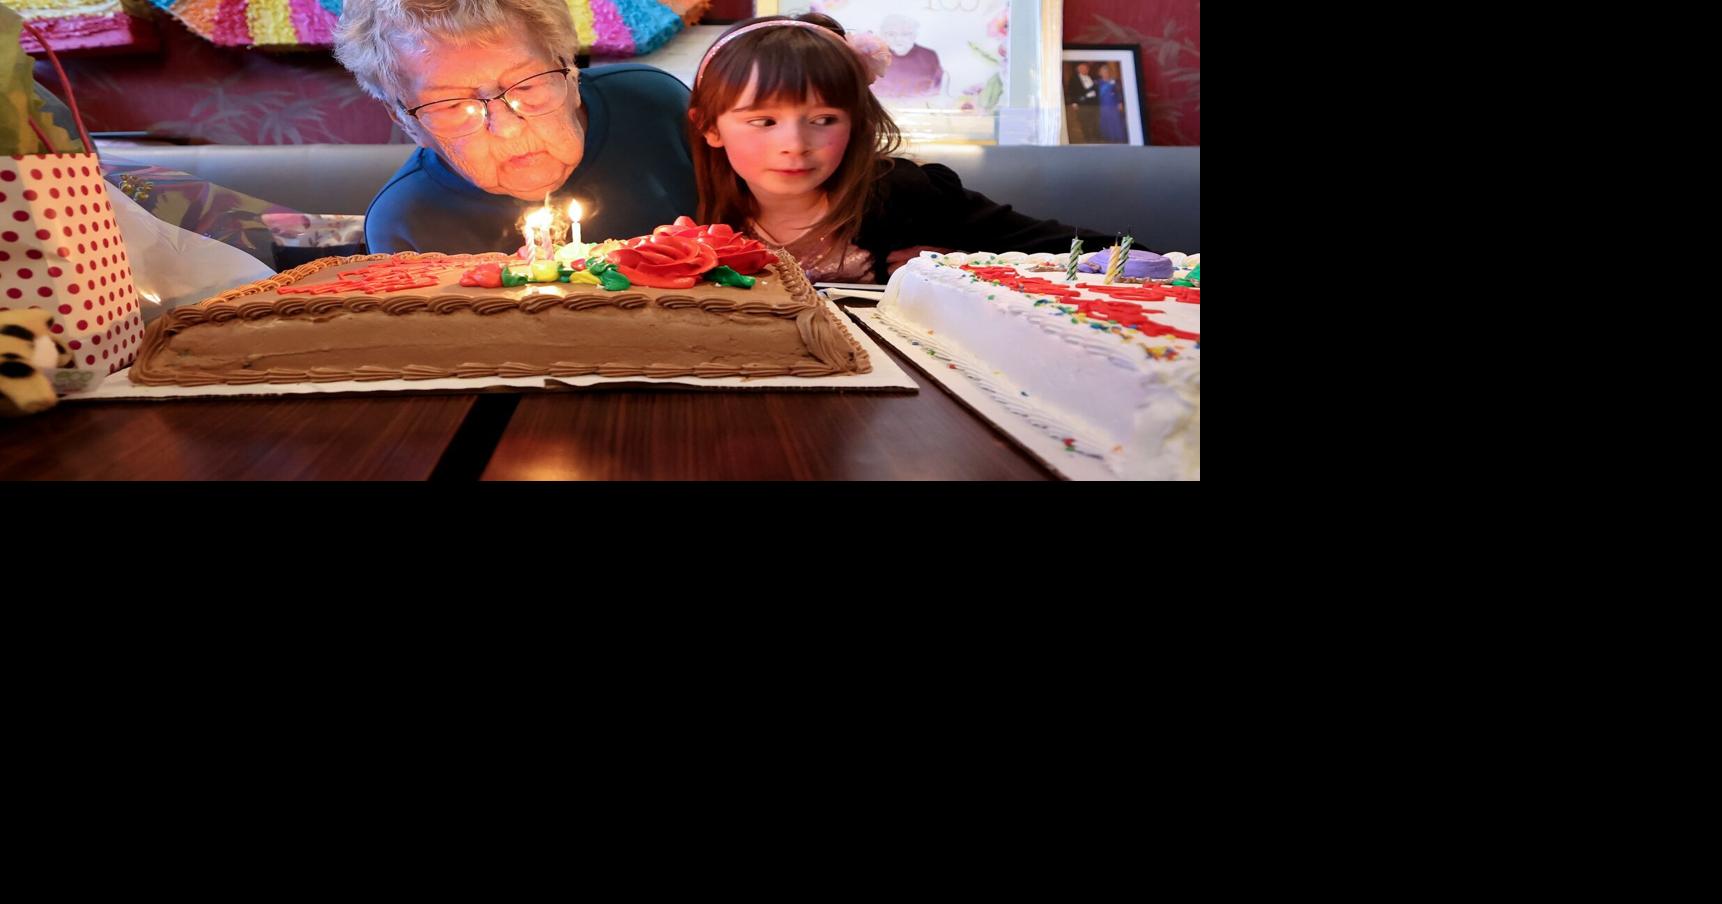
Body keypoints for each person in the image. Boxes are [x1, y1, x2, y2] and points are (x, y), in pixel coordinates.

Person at [687, 13, 1111, 285]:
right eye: (764, 122)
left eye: (824, 120)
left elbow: (1094, 250)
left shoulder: (908, 193)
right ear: (709, 127)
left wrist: (960, 268)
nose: (795, 146)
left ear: (855, 123)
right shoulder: (682, 206)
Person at [334, 0, 698, 254]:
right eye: (452, 104)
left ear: (570, 72)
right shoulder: (403, 221)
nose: (506, 128)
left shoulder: (655, 105)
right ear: (407, 122)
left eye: (527, 85)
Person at [870, 14, 944, 99]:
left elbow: (936, 89)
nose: (898, 39)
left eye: (905, 34)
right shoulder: (874, 57)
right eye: (891, 34)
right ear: (883, 35)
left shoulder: (929, 56)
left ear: (914, 35)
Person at [1065, 62, 1099, 143]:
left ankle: (1095, 136)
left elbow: (1096, 88)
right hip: (1082, 103)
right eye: (1082, 68)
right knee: (1084, 121)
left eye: (1086, 68)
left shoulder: (1092, 77)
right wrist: (1074, 103)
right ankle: (1088, 138)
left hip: (1093, 103)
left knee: (1094, 120)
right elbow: (1071, 92)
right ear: (1078, 69)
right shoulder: (1074, 79)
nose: (1085, 69)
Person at [1096, 63, 1128, 144]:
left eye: (1106, 71)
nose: (1105, 73)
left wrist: (1120, 102)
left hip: (1113, 104)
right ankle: (1109, 138)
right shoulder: (1097, 83)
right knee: (1106, 121)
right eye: (1103, 71)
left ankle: (1118, 138)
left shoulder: (1114, 81)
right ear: (1100, 73)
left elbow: (1119, 92)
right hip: (1103, 105)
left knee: (1116, 121)